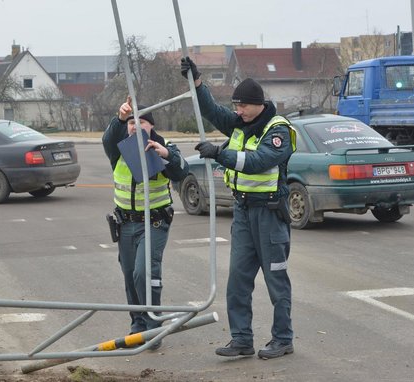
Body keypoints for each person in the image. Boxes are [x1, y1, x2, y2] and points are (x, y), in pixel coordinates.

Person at [181, 57, 297, 360]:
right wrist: (197, 83)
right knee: (238, 282)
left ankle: (283, 339)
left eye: (242, 106)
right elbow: (210, 111)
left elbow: (259, 163)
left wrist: (221, 154)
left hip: (270, 215)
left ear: (257, 104)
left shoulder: (278, 130)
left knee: (276, 282)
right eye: (236, 106)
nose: (237, 111)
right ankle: (241, 339)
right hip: (243, 213)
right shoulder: (239, 122)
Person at [102, 97, 188, 348]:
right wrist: (119, 117)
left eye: (141, 121)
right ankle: (137, 324)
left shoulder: (162, 146)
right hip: (125, 223)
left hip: (154, 223)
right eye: (131, 122)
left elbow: (181, 170)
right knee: (130, 275)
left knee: (144, 272)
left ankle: (152, 326)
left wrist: (167, 155)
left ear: (151, 126)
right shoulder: (119, 148)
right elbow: (108, 139)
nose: (135, 126)